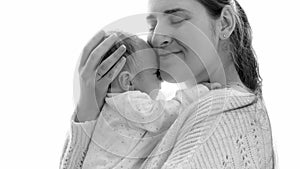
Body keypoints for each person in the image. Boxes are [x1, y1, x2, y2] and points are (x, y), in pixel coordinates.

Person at [60, 0, 275, 168]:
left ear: (225, 23)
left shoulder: (224, 112)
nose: (157, 37)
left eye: (177, 18)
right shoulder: (182, 116)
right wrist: (88, 111)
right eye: (152, 24)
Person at [81, 31, 216, 169]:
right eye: (156, 74)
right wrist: (200, 91)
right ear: (127, 82)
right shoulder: (129, 102)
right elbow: (166, 115)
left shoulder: (110, 106)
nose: (161, 81)